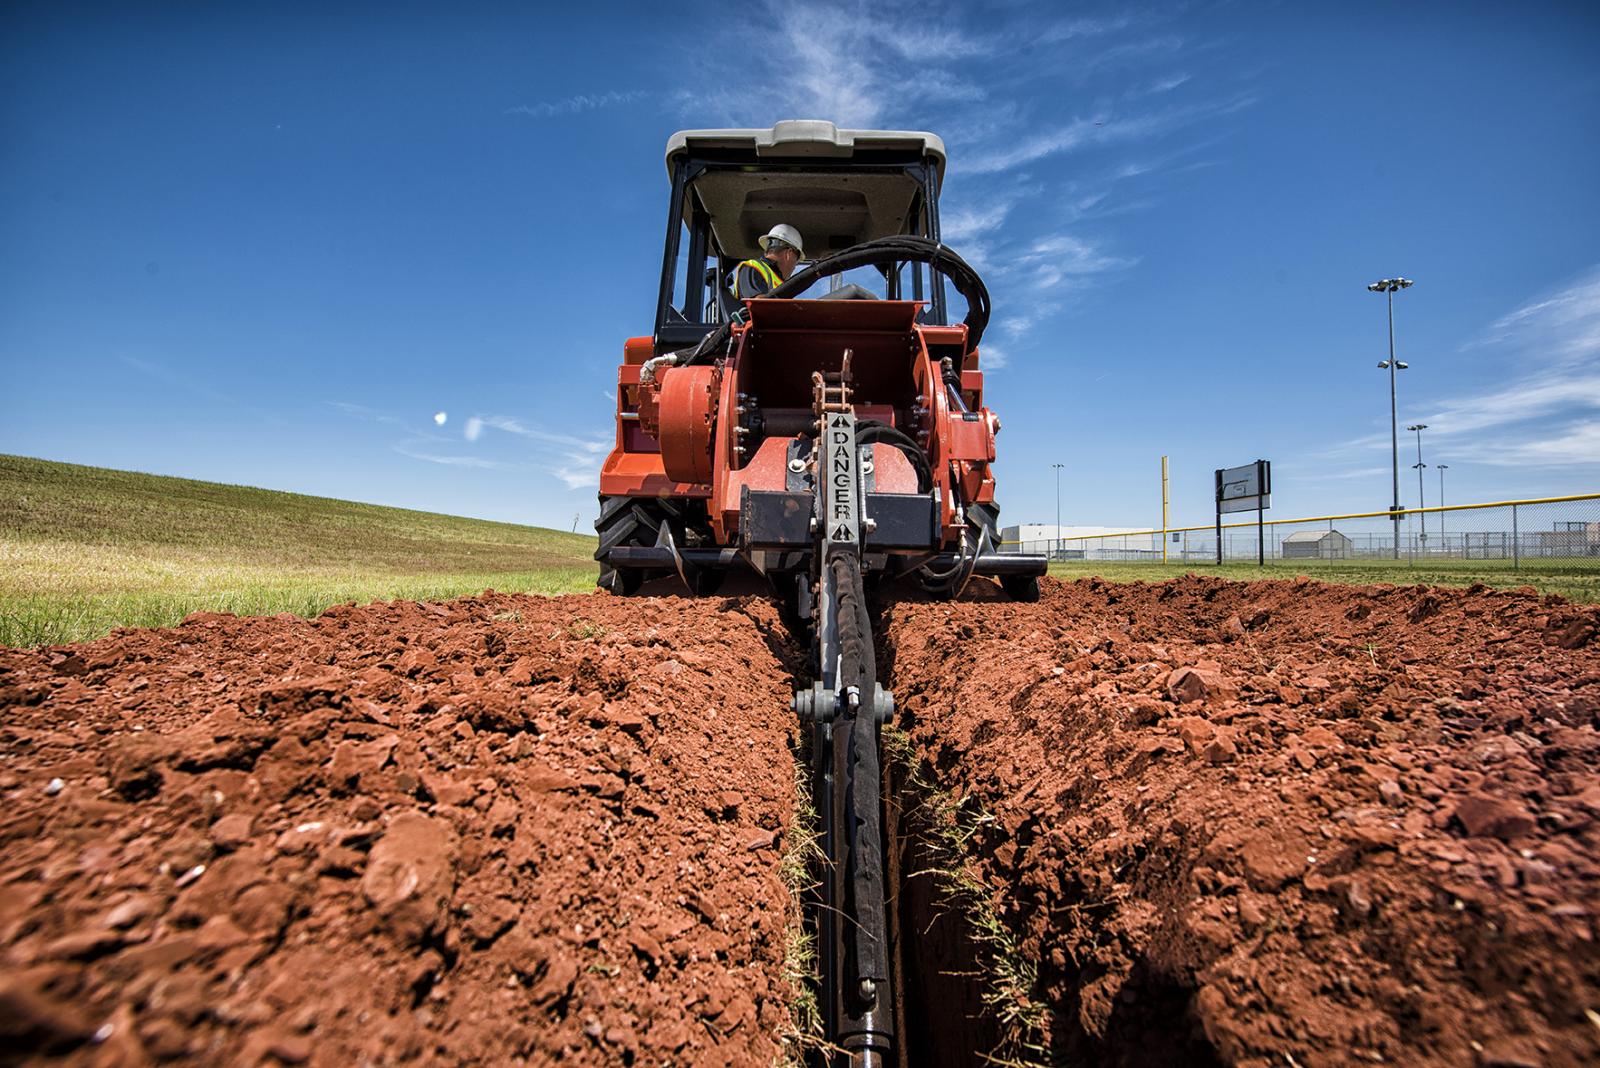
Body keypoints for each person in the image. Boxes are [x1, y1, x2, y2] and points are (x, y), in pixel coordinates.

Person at [732, 224, 805, 299]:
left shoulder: (779, 282)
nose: (794, 267)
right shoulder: (752, 267)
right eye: (796, 261)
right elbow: (758, 302)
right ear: (789, 254)